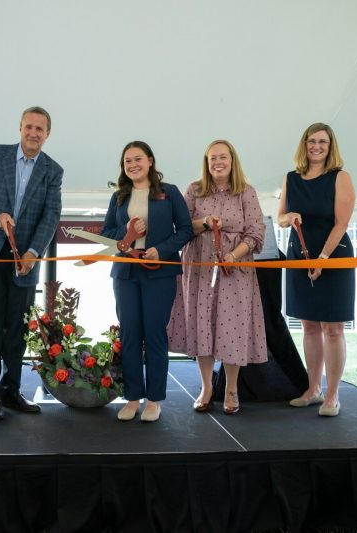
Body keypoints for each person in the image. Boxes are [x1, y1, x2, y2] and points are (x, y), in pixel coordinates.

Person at [0, 106, 63, 422]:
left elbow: (51, 216)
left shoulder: (53, 170)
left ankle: (12, 391)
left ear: (48, 134)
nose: (33, 133)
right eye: (29, 127)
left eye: (40, 129)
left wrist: (33, 252)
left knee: (17, 332)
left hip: (25, 262)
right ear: (19, 128)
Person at [167, 140, 268, 415]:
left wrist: (233, 256)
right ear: (206, 162)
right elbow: (182, 227)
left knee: (232, 327)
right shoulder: (194, 190)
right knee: (201, 323)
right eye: (212, 158)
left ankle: (231, 389)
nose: (217, 162)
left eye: (222, 157)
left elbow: (257, 232)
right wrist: (205, 223)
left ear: (232, 160)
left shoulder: (246, 192)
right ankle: (206, 387)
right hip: (199, 268)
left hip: (235, 270)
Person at [102, 140, 192, 423]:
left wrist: (162, 249)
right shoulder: (118, 197)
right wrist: (126, 232)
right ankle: (132, 398)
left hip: (159, 274)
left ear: (150, 161)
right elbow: (108, 234)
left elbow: (186, 230)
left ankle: (154, 400)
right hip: (125, 273)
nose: (132, 165)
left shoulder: (170, 193)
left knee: (154, 334)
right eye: (127, 161)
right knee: (129, 335)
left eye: (138, 159)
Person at [277, 122, 356, 417]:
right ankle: (313, 389)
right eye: (311, 141)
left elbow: (342, 223)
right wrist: (289, 217)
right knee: (309, 325)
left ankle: (333, 396)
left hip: (333, 256)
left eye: (322, 142)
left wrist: (323, 258)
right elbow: (280, 216)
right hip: (299, 255)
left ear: (330, 145)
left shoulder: (340, 177)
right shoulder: (291, 178)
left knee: (333, 329)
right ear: (304, 144)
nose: (316, 146)